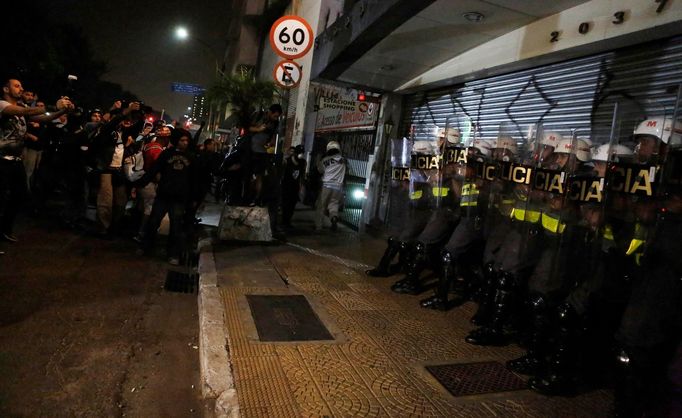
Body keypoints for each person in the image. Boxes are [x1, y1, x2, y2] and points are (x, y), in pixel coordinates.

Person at [0, 76, 73, 242]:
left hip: (16, 160)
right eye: (17, 86)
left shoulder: (22, 108)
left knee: (19, 195)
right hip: (2, 160)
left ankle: (4, 229)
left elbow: (44, 118)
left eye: (21, 86)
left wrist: (63, 110)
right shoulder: (3, 105)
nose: (21, 88)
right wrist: (54, 105)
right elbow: (24, 112)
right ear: (6, 89)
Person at [136, 128, 196, 265]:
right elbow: (154, 169)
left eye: (187, 140)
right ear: (176, 141)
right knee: (153, 222)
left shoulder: (191, 157)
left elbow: (194, 179)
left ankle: (173, 254)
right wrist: (141, 183)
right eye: (182, 140)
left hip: (179, 198)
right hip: (164, 195)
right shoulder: (166, 154)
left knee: (176, 227)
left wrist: (193, 198)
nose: (185, 143)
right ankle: (145, 247)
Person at [247, 103, 282, 205]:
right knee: (249, 175)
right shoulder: (258, 115)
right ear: (270, 112)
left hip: (262, 152)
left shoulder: (275, 123)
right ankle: (248, 196)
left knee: (260, 176)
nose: (276, 118)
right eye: (275, 116)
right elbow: (247, 127)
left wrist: (271, 142)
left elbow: (274, 135)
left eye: (277, 117)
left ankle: (256, 199)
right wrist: (258, 129)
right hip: (250, 150)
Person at [315, 140, 346, 231]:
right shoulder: (343, 160)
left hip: (326, 186)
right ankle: (334, 218)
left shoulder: (325, 160)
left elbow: (320, 171)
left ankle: (318, 226)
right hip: (338, 187)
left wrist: (318, 160)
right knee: (334, 205)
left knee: (321, 206)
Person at [281, 144, 306, 227]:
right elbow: (282, 173)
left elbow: (302, 175)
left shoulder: (303, 162)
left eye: (302, 152)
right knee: (285, 205)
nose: (300, 154)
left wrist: (301, 187)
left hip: (295, 187)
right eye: (299, 152)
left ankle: (288, 221)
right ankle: (284, 221)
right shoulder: (287, 161)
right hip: (286, 186)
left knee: (292, 205)